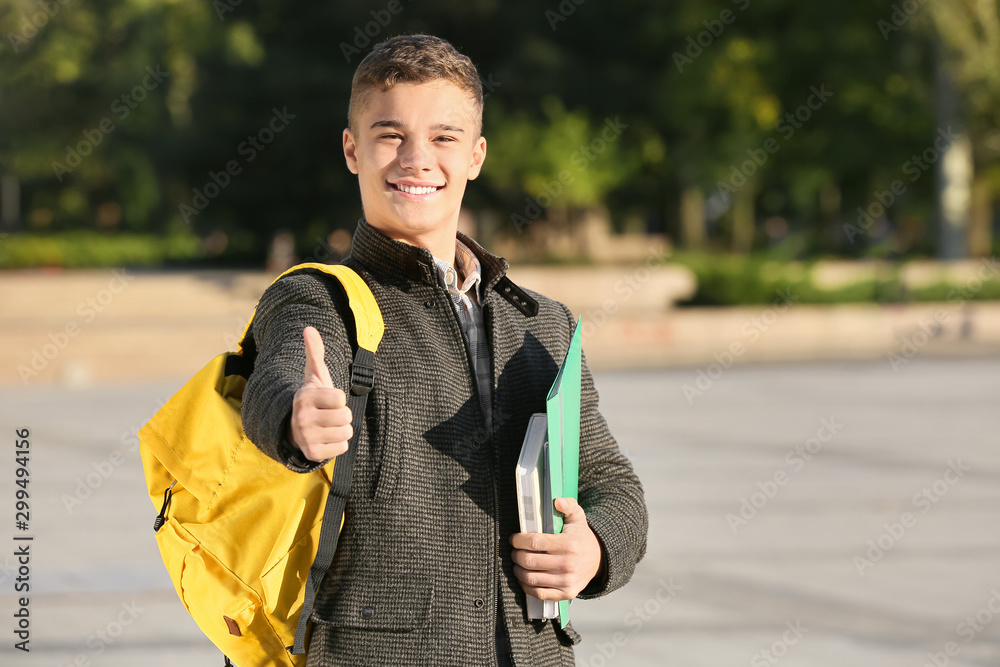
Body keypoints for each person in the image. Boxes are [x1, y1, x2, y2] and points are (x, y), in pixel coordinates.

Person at [241, 33, 647, 667]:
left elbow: (611, 484)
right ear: (353, 149)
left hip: (533, 654)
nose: (416, 159)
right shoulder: (319, 300)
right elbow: (280, 377)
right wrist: (297, 417)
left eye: (444, 137)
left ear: (476, 155)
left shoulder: (542, 323)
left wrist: (593, 549)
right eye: (390, 134)